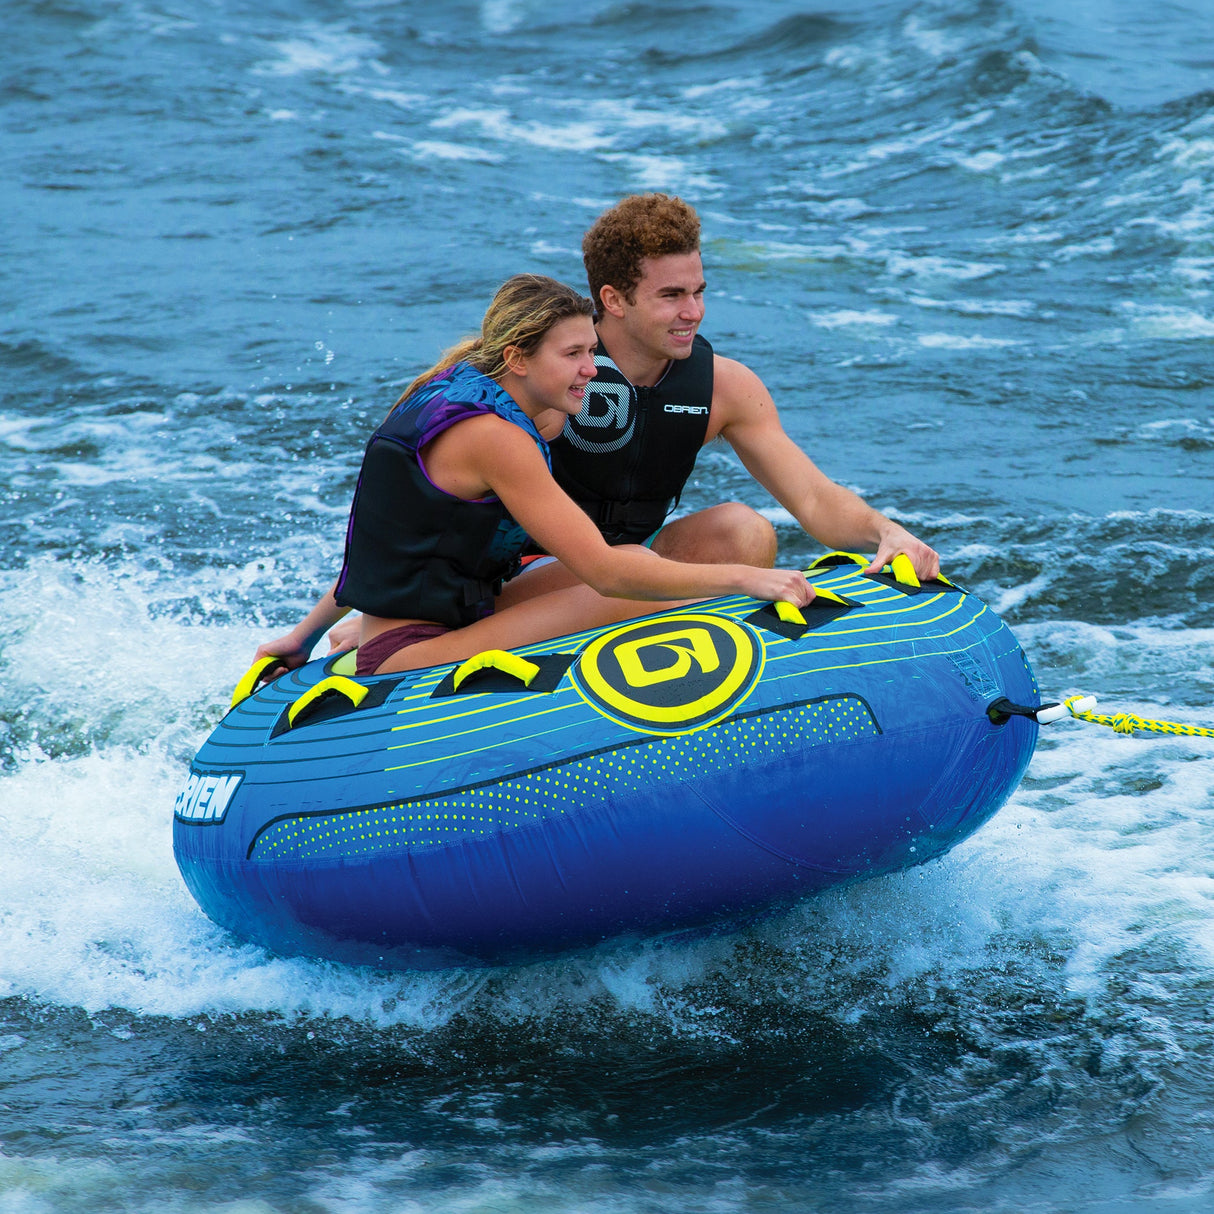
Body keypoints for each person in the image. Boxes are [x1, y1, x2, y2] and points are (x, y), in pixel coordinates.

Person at [255, 274, 812, 677]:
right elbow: (605, 573)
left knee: (645, 561)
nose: (593, 371)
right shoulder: (495, 437)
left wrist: (302, 637)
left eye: (592, 351)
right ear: (519, 358)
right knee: (641, 590)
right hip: (412, 648)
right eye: (574, 354)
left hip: (455, 612)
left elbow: (383, 547)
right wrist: (749, 579)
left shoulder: (460, 392)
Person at [500, 193, 939, 609]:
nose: (693, 312)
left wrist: (886, 531)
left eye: (698, 292)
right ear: (614, 299)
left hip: (637, 561)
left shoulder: (724, 387)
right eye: (671, 296)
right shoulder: (549, 372)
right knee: (632, 568)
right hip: (528, 573)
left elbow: (813, 497)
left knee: (743, 530)